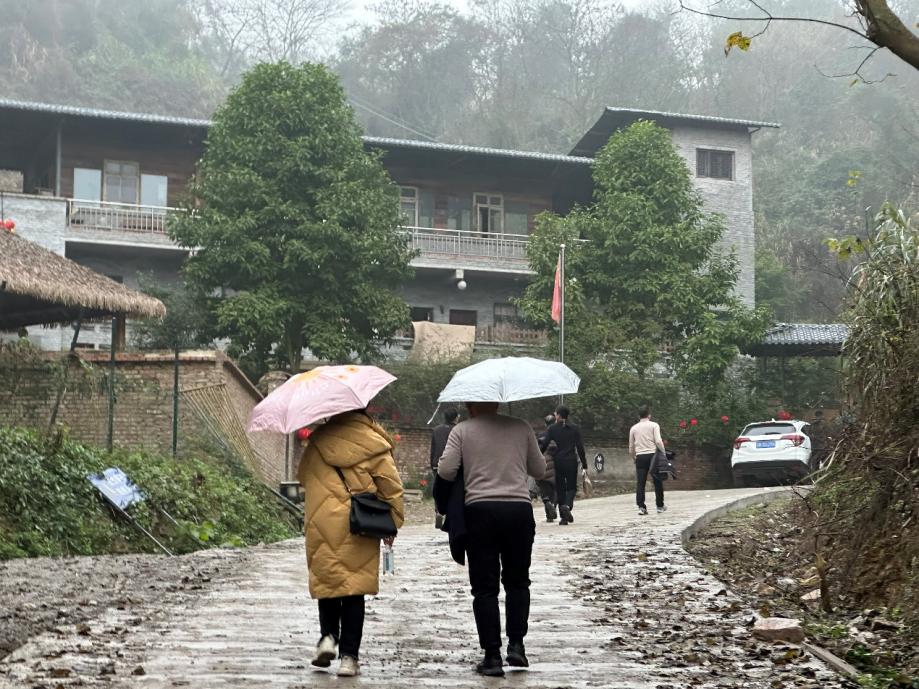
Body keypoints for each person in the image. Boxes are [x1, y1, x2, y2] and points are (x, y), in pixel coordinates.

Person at [437, 401, 545, 677]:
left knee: (485, 588)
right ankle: (517, 645)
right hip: (518, 511)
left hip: (480, 512)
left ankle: (492, 656)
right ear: (497, 402)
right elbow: (540, 469)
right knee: (518, 581)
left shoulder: (462, 430)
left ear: (470, 406)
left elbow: (446, 471)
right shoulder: (521, 427)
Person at [297, 410, 405, 677]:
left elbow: (303, 477)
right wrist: (392, 522)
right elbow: (391, 488)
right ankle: (349, 658)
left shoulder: (318, 441)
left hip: (322, 521)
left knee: (329, 583)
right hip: (360, 523)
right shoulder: (374, 442)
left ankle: (328, 638)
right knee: (354, 589)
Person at [539, 405, 587, 525]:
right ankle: (567, 506)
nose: (555, 415)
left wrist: (539, 456)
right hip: (571, 461)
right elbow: (580, 447)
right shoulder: (575, 428)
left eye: (556, 414)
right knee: (571, 487)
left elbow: (544, 444)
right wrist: (584, 464)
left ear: (559, 415)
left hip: (558, 461)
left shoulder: (552, 429)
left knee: (560, 488)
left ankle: (563, 518)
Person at [628, 405, 666, 515]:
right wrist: (663, 453)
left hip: (640, 456)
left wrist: (634, 457)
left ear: (639, 416)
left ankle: (641, 507)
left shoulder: (633, 428)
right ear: (649, 415)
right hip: (653, 456)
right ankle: (659, 506)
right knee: (657, 481)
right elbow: (658, 441)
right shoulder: (654, 425)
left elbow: (631, 446)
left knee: (641, 483)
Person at [430, 407, 460, 529]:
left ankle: (438, 511)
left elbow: (433, 449)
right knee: (453, 490)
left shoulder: (436, 430)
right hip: (452, 464)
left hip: (436, 464)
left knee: (438, 489)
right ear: (455, 417)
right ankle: (450, 514)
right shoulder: (458, 430)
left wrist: (432, 464)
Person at [535, 414, 558, 522]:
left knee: (544, 491)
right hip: (555, 466)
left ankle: (547, 506)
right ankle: (552, 505)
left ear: (545, 424)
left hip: (543, 465)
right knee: (556, 490)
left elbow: (536, 451)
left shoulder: (540, 436)